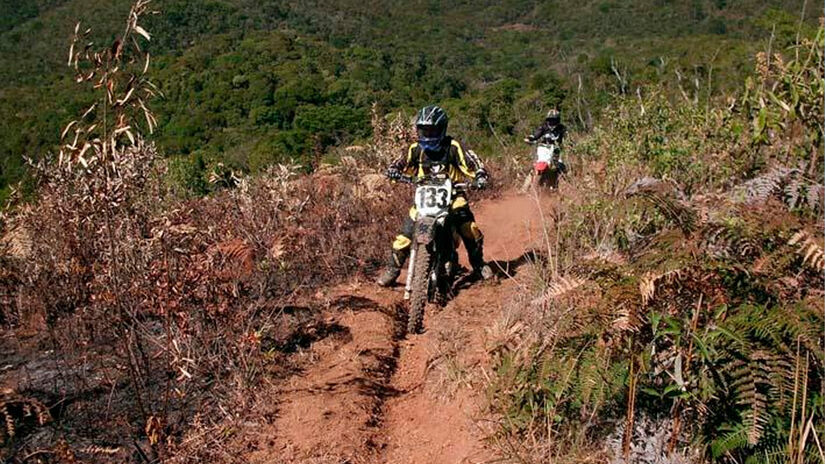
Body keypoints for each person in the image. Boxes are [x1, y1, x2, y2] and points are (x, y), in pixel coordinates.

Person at [376, 105, 494, 287]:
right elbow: (399, 163)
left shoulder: (453, 147)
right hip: (424, 199)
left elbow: (473, 162)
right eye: (425, 130)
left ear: (442, 129)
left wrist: (480, 175)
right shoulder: (415, 149)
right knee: (404, 237)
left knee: (470, 228)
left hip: (453, 197)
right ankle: (392, 270)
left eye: (433, 130)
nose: (428, 135)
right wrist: (393, 170)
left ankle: (478, 265)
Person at [525, 108, 568, 174]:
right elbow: (536, 135)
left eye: (554, 120)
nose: (552, 122)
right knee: (539, 163)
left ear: (557, 120)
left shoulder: (562, 128)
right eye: (550, 120)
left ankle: (562, 178)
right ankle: (533, 176)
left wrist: (568, 144)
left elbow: (567, 138)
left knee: (560, 166)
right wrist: (530, 138)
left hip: (556, 149)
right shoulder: (544, 127)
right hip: (544, 148)